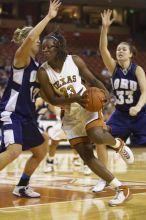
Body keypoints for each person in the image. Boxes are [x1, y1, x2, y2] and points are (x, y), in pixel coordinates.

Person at [37, 30, 134, 206]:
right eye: (42, 48)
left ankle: (118, 144)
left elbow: (92, 79)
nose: (44, 51)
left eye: (48, 47)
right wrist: (75, 99)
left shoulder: (74, 60)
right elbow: (52, 98)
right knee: (87, 156)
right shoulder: (43, 72)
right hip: (70, 116)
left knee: (96, 135)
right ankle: (121, 188)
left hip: (88, 106)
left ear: (58, 47)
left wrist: (104, 92)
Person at [0, 0, 61, 198]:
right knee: (14, 150)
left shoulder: (37, 67)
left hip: (27, 118)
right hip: (12, 114)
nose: (38, 41)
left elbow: (44, 94)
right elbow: (32, 36)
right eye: (36, 39)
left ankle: (22, 186)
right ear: (27, 40)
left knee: (43, 146)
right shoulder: (21, 57)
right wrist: (49, 17)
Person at [93, 9, 146, 193]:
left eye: (124, 49)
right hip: (121, 114)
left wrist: (138, 107)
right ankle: (104, 177)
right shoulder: (113, 68)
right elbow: (102, 49)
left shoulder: (137, 70)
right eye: (118, 49)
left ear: (131, 54)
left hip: (141, 114)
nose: (120, 51)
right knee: (99, 137)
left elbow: (145, 91)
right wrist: (105, 28)